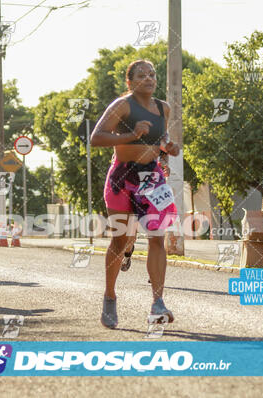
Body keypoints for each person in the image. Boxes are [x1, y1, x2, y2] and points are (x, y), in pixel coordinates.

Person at [90, 59, 181, 329]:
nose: (149, 78)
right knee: (121, 241)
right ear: (129, 82)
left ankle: (157, 302)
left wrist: (168, 146)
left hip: (152, 178)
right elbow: (96, 138)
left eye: (152, 74)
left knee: (157, 238)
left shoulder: (163, 108)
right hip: (122, 178)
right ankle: (109, 296)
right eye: (141, 75)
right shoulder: (122, 106)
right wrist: (131, 135)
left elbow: (160, 136)